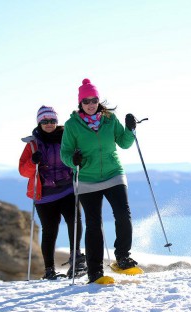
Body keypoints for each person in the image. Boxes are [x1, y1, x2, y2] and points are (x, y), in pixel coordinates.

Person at [60, 78, 139, 283]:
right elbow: (65, 153)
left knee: (123, 214)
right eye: (86, 101)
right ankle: (95, 271)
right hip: (87, 178)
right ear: (80, 103)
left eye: (93, 100)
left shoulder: (109, 119)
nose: (90, 104)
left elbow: (123, 143)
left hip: (114, 173)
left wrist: (130, 130)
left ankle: (122, 258)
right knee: (94, 223)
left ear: (98, 100)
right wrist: (72, 160)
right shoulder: (71, 125)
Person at [19, 105, 87, 280]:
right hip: (45, 195)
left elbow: (78, 158)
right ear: (39, 122)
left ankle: (76, 259)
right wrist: (32, 162)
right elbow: (23, 171)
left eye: (52, 120)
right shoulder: (33, 145)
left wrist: (78, 160)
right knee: (50, 230)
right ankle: (49, 269)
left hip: (68, 189)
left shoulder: (67, 137)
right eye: (45, 121)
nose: (49, 124)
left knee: (75, 221)